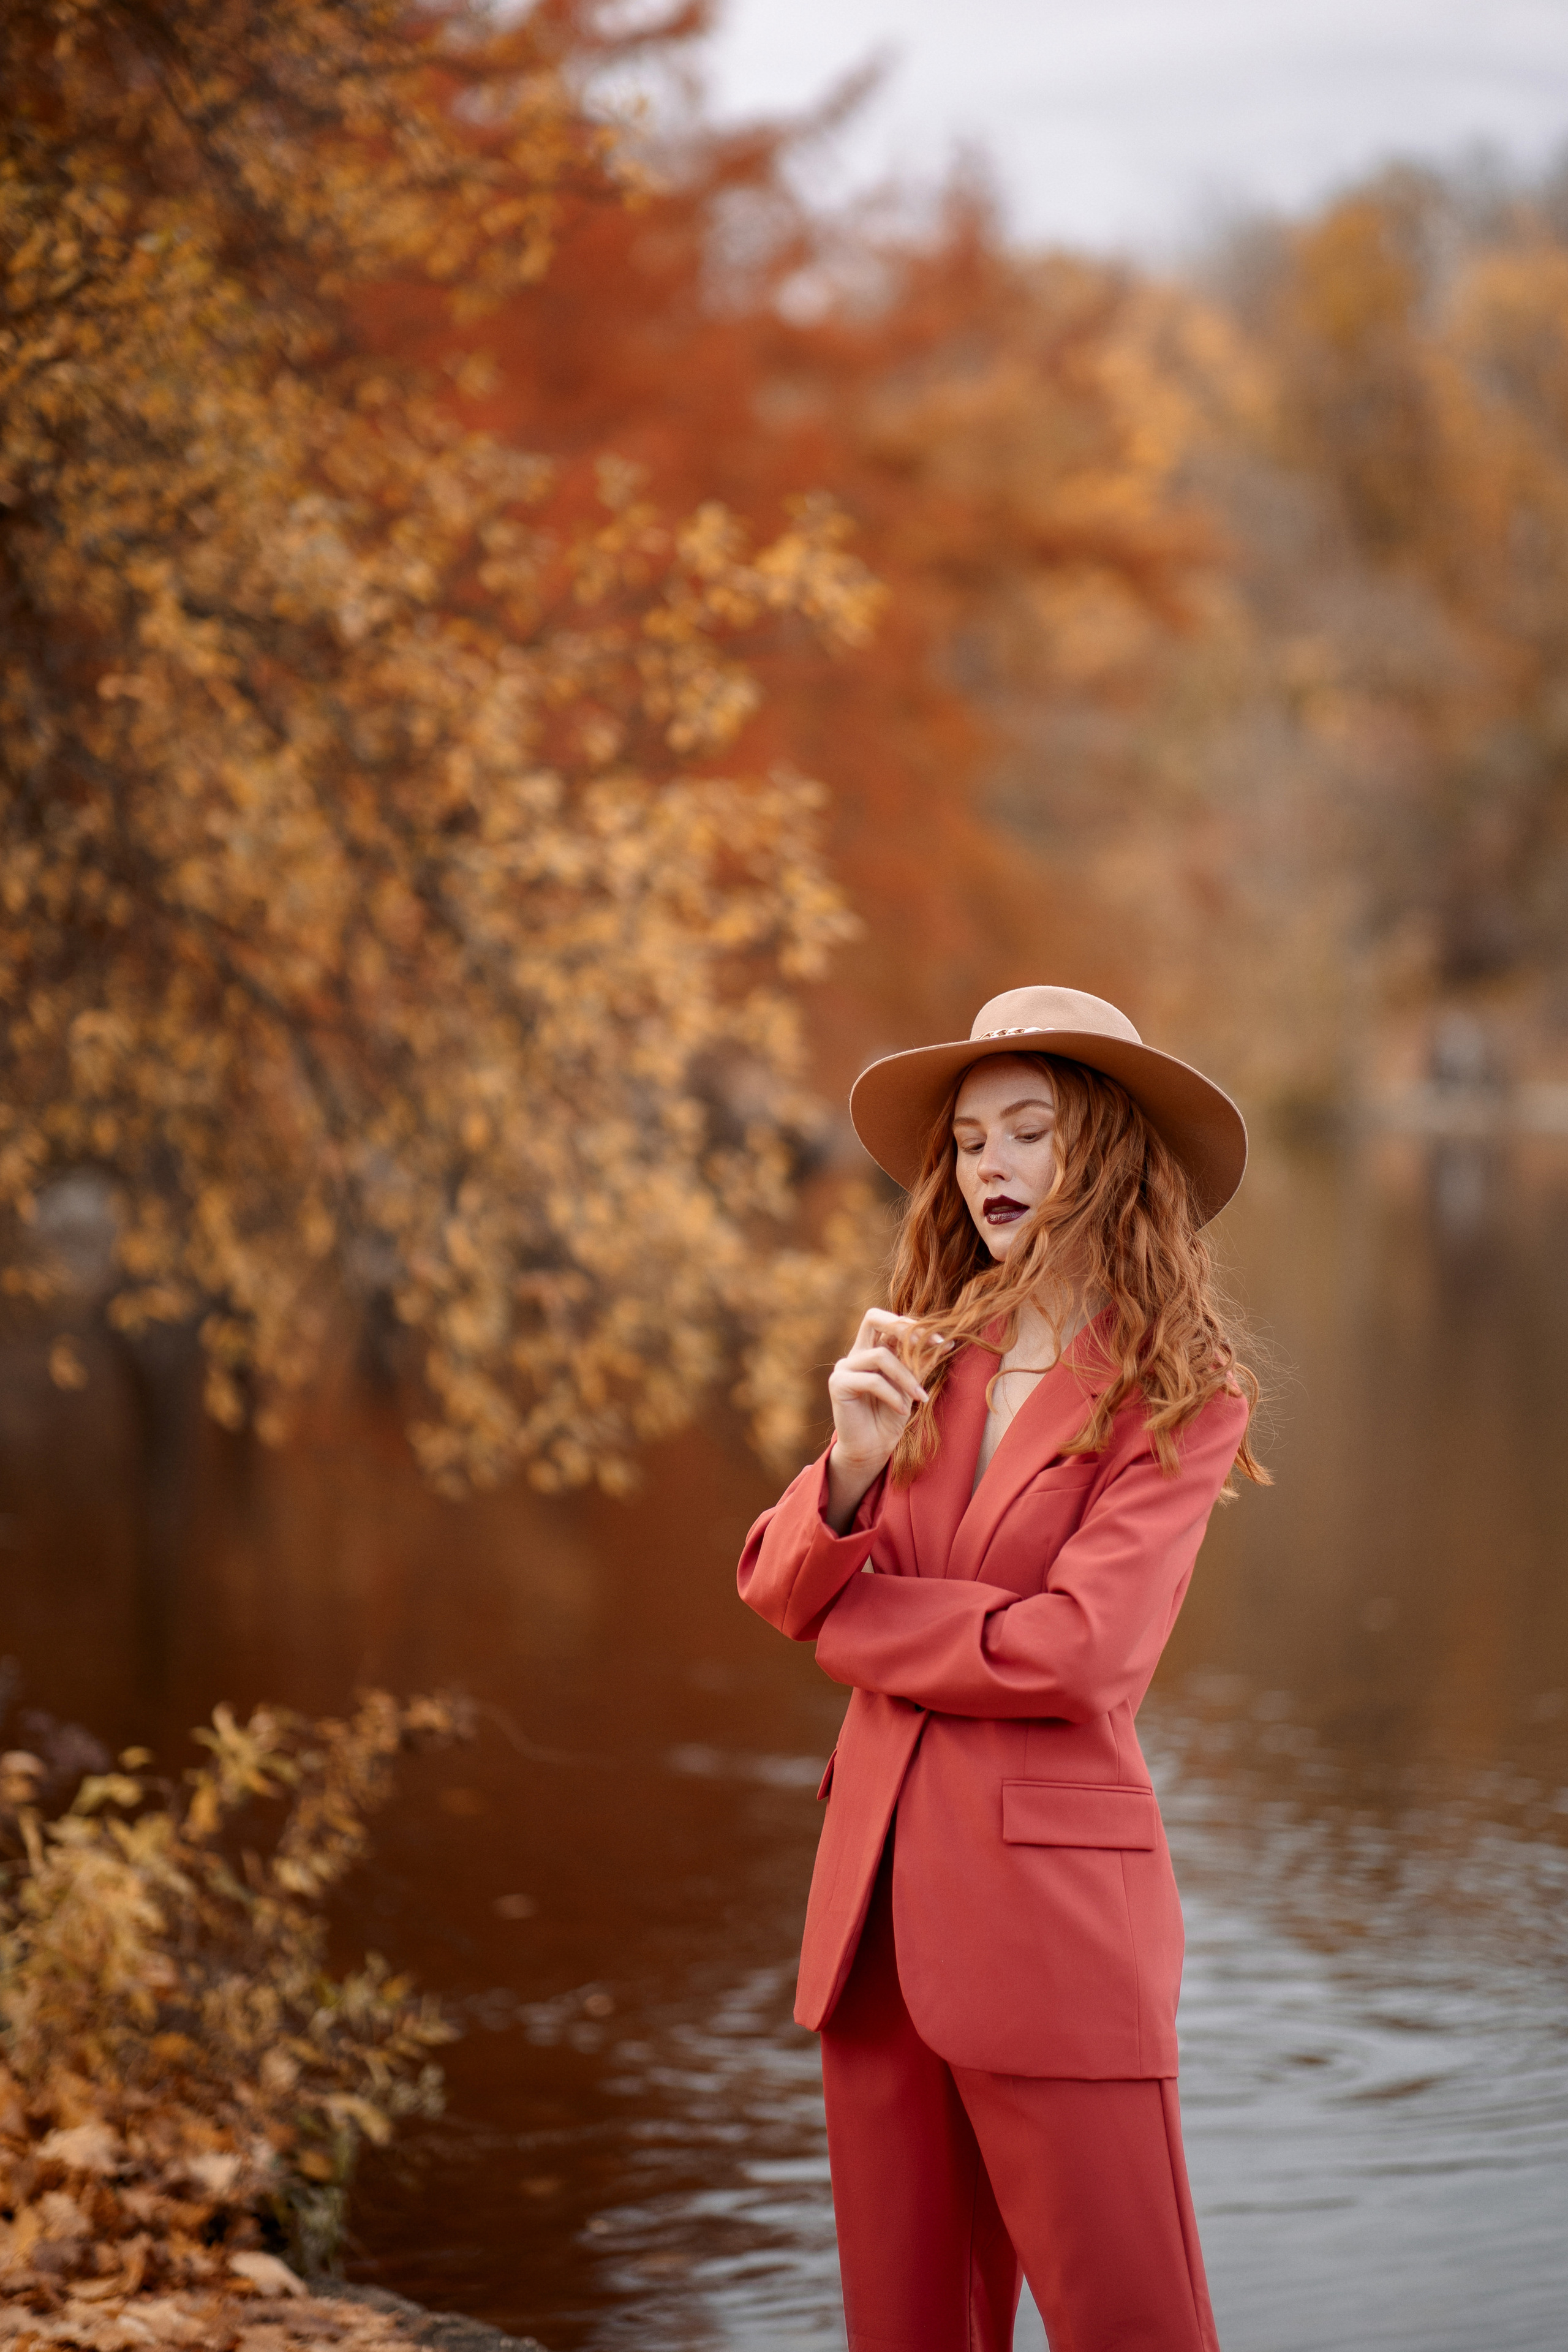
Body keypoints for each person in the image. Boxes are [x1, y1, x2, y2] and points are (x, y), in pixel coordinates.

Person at [737, 984, 1267, 2352]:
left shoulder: (1180, 1390)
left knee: (1130, 2326)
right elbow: (772, 1579)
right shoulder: (927, 1348)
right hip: (872, 1929)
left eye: (1028, 1130)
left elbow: (1080, 1652)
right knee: (906, 2333)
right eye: (971, 1139)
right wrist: (850, 1469)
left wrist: (862, 1632)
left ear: (1102, 1154)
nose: (990, 1165)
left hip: (1052, 1933)